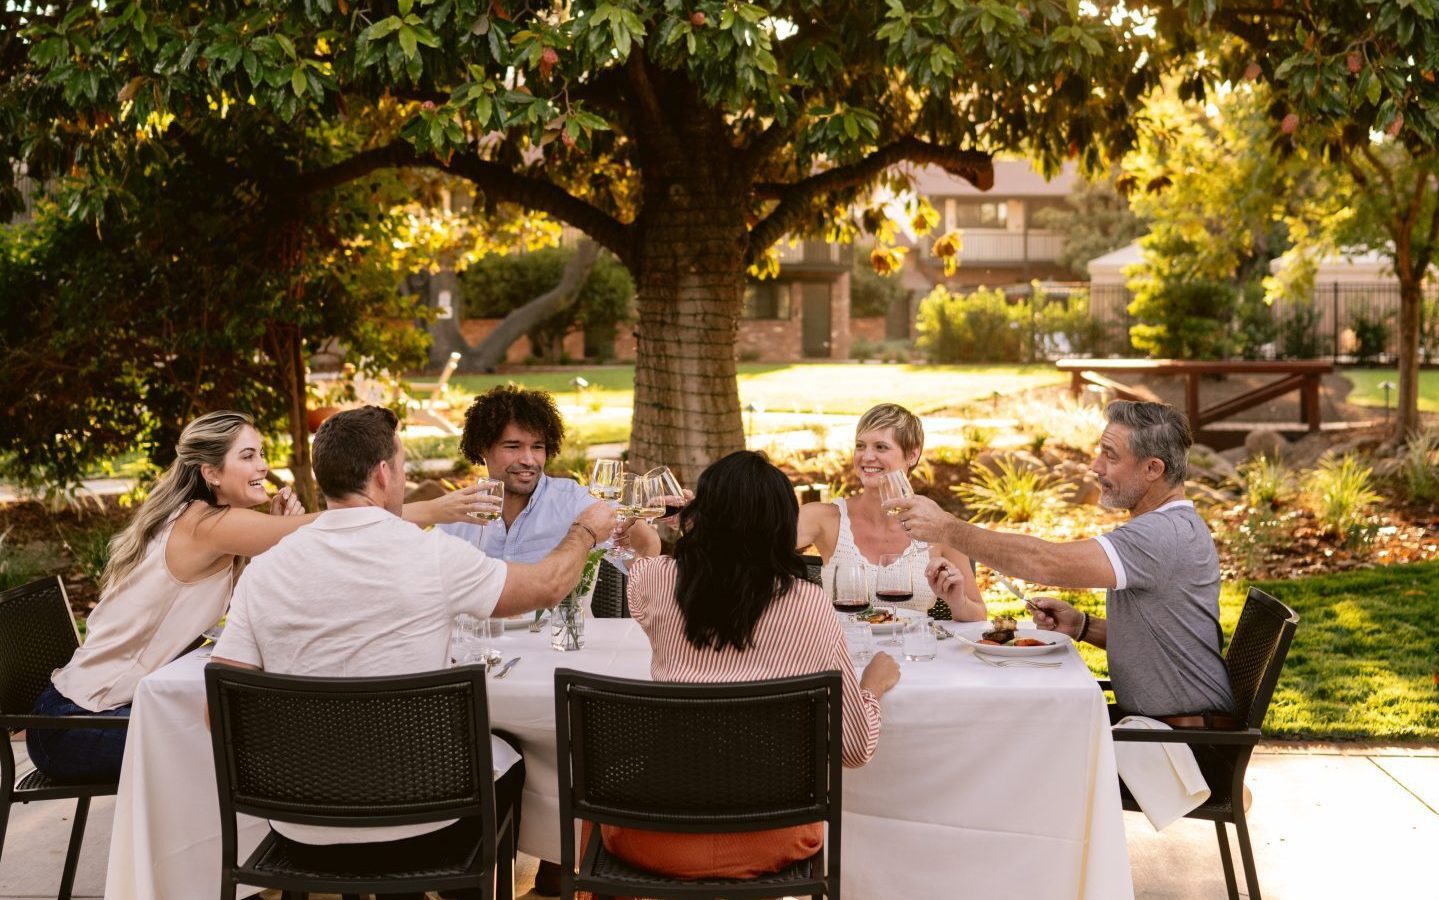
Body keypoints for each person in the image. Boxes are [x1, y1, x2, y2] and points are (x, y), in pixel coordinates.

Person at [210, 406, 615, 884]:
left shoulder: (264, 571)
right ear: (383, 473)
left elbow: (217, 707)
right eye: (402, 466)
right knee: (509, 756)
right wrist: (586, 530)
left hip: (301, 827)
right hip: (426, 829)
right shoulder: (432, 555)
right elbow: (547, 586)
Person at [27, 410, 490, 782]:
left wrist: (271, 531)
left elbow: (293, 547)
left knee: (249, 734)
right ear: (210, 471)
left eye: (261, 454)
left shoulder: (209, 524)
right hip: (77, 725)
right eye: (247, 457)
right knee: (243, 745)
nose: (263, 466)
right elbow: (336, 523)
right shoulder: (204, 524)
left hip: (95, 709)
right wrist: (434, 508)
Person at [605, 450, 900, 879]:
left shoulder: (655, 581)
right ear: (783, 526)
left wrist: (666, 530)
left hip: (653, 832)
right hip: (769, 837)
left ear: (700, 515)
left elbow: (644, 567)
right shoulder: (807, 603)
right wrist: (871, 686)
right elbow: (853, 749)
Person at [894, 400, 1234, 723]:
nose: (1096, 466)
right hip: (1160, 727)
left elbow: (1045, 563)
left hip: (1179, 743)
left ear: (1152, 469)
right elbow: (1165, 637)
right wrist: (1083, 626)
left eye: (1110, 456)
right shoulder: (1170, 525)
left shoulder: (1161, 535)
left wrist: (948, 529)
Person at [795, 403, 985, 622]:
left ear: (912, 455)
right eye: (860, 446)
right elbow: (754, 551)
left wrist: (957, 600)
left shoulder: (939, 526)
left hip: (916, 654)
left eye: (881, 447)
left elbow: (979, 616)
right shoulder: (823, 518)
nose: (866, 457)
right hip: (847, 654)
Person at [439, 385, 659, 563]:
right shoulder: (456, 517)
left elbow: (646, 544)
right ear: (482, 448)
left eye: (537, 447)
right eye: (513, 447)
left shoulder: (575, 501)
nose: (528, 460)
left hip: (558, 620)